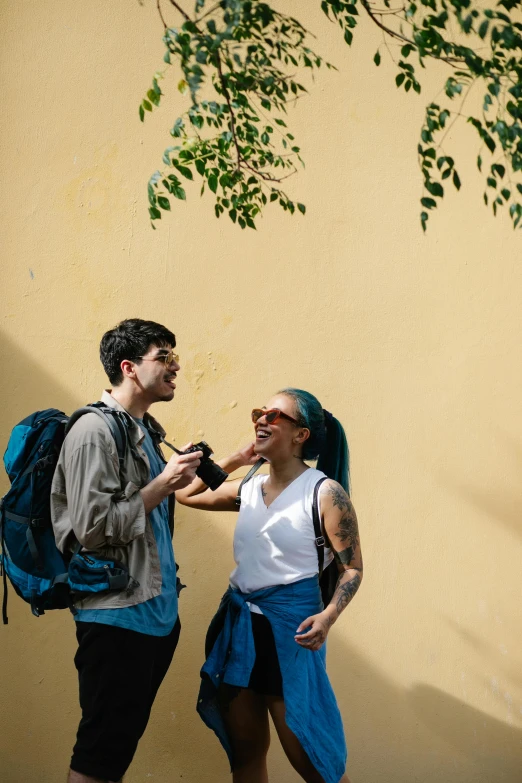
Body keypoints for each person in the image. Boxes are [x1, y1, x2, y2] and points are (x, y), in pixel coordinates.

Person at [176, 388, 363, 783]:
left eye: (275, 415)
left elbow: (353, 570)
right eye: (259, 412)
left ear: (301, 435)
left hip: (291, 634)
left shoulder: (324, 492)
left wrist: (328, 617)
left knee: (312, 760)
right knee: (245, 757)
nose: (262, 419)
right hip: (240, 631)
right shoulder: (249, 488)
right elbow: (184, 494)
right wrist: (236, 459)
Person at [51, 318, 203, 783]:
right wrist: (163, 482)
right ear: (129, 368)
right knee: (100, 753)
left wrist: (231, 461)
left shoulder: (142, 429)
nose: (176, 365)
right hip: (117, 618)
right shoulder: (93, 432)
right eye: (164, 357)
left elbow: (150, 509)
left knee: (114, 752)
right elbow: (93, 529)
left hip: (153, 617)